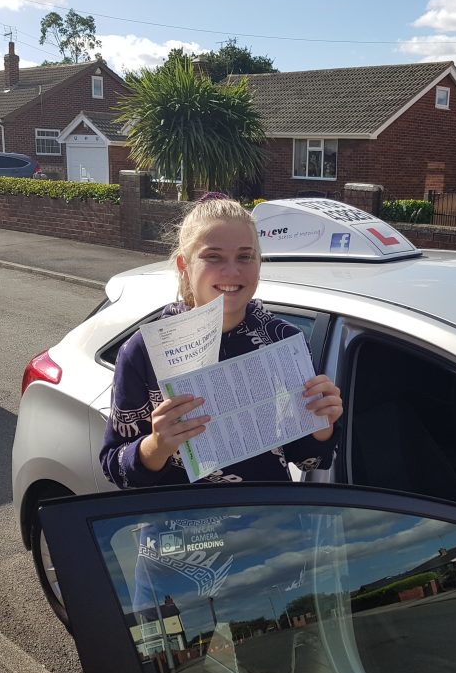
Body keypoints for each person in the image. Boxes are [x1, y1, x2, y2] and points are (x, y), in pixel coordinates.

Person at [100, 194, 343, 489]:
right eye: (213, 256)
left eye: (245, 256)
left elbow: (308, 460)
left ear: (259, 262)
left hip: (266, 523)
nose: (232, 271)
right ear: (183, 265)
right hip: (180, 526)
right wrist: (156, 446)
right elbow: (115, 467)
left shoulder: (283, 341)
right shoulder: (144, 349)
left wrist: (322, 425)